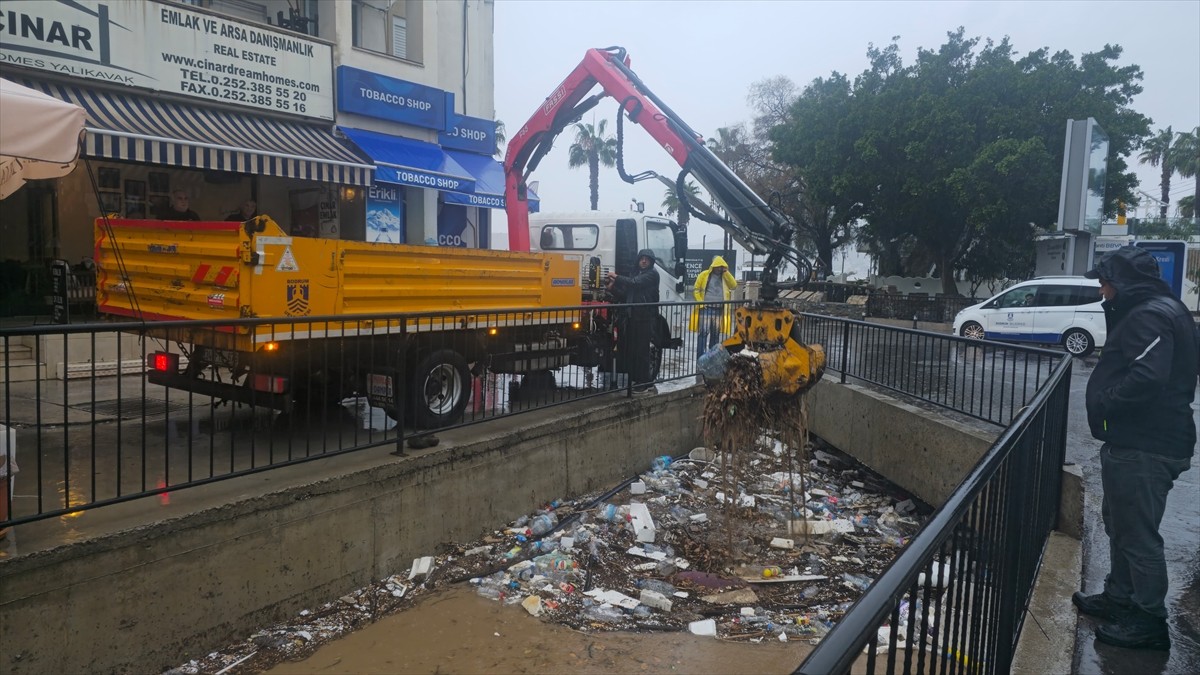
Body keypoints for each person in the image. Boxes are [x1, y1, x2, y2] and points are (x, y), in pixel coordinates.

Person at [1072, 245, 1197, 651]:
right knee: (1120, 524)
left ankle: (1147, 620)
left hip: (1146, 444)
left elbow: (1147, 376)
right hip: (1144, 440)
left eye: (1105, 282)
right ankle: (1119, 596)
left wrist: (1107, 401)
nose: (1103, 290)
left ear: (1121, 281)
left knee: (1138, 535)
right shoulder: (1165, 308)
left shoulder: (1148, 314)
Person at [606, 249, 660, 394]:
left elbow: (635, 283)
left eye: (646, 259)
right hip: (633, 318)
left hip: (645, 318)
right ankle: (639, 381)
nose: (643, 261)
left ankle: (645, 383)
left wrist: (616, 277)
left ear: (651, 262)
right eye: (641, 258)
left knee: (642, 352)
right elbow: (626, 296)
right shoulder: (637, 274)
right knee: (635, 351)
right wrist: (613, 289)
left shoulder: (652, 275)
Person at [691, 255, 737, 360]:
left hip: (719, 310)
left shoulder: (725, 277)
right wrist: (701, 303)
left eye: (721, 266)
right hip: (706, 309)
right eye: (718, 266)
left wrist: (727, 272)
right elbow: (696, 289)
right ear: (713, 266)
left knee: (715, 335)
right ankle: (700, 358)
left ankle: (711, 359)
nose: (720, 268)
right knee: (703, 334)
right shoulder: (704, 275)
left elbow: (734, 285)